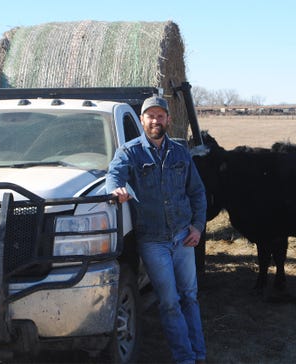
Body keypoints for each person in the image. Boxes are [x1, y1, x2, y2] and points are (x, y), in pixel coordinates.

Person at [106, 95, 207, 364]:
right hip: (153, 241)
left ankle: (199, 353)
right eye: (150, 116)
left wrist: (197, 227)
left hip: (183, 235)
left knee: (190, 297)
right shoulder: (129, 153)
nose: (155, 120)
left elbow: (197, 192)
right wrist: (116, 189)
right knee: (170, 301)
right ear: (142, 120)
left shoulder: (180, 152)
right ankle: (184, 357)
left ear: (168, 120)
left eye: (160, 116)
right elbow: (114, 175)